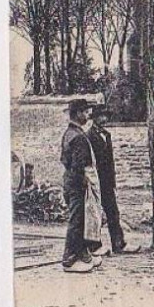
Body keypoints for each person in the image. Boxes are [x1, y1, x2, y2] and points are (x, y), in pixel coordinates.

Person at [88, 104, 140, 255]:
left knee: (113, 213)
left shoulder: (107, 135)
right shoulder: (89, 136)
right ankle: (94, 246)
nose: (104, 119)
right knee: (95, 214)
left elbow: (110, 162)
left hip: (107, 182)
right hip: (96, 182)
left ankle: (118, 244)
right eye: (100, 116)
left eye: (105, 116)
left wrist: (113, 182)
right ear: (95, 118)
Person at [60, 99, 103, 274]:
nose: (87, 115)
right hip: (77, 183)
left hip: (71, 181)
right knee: (77, 221)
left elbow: (64, 160)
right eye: (85, 112)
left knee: (83, 220)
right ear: (77, 113)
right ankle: (69, 260)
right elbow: (78, 165)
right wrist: (84, 182)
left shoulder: (70, 133)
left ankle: (83, 255)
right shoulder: (77, 136)